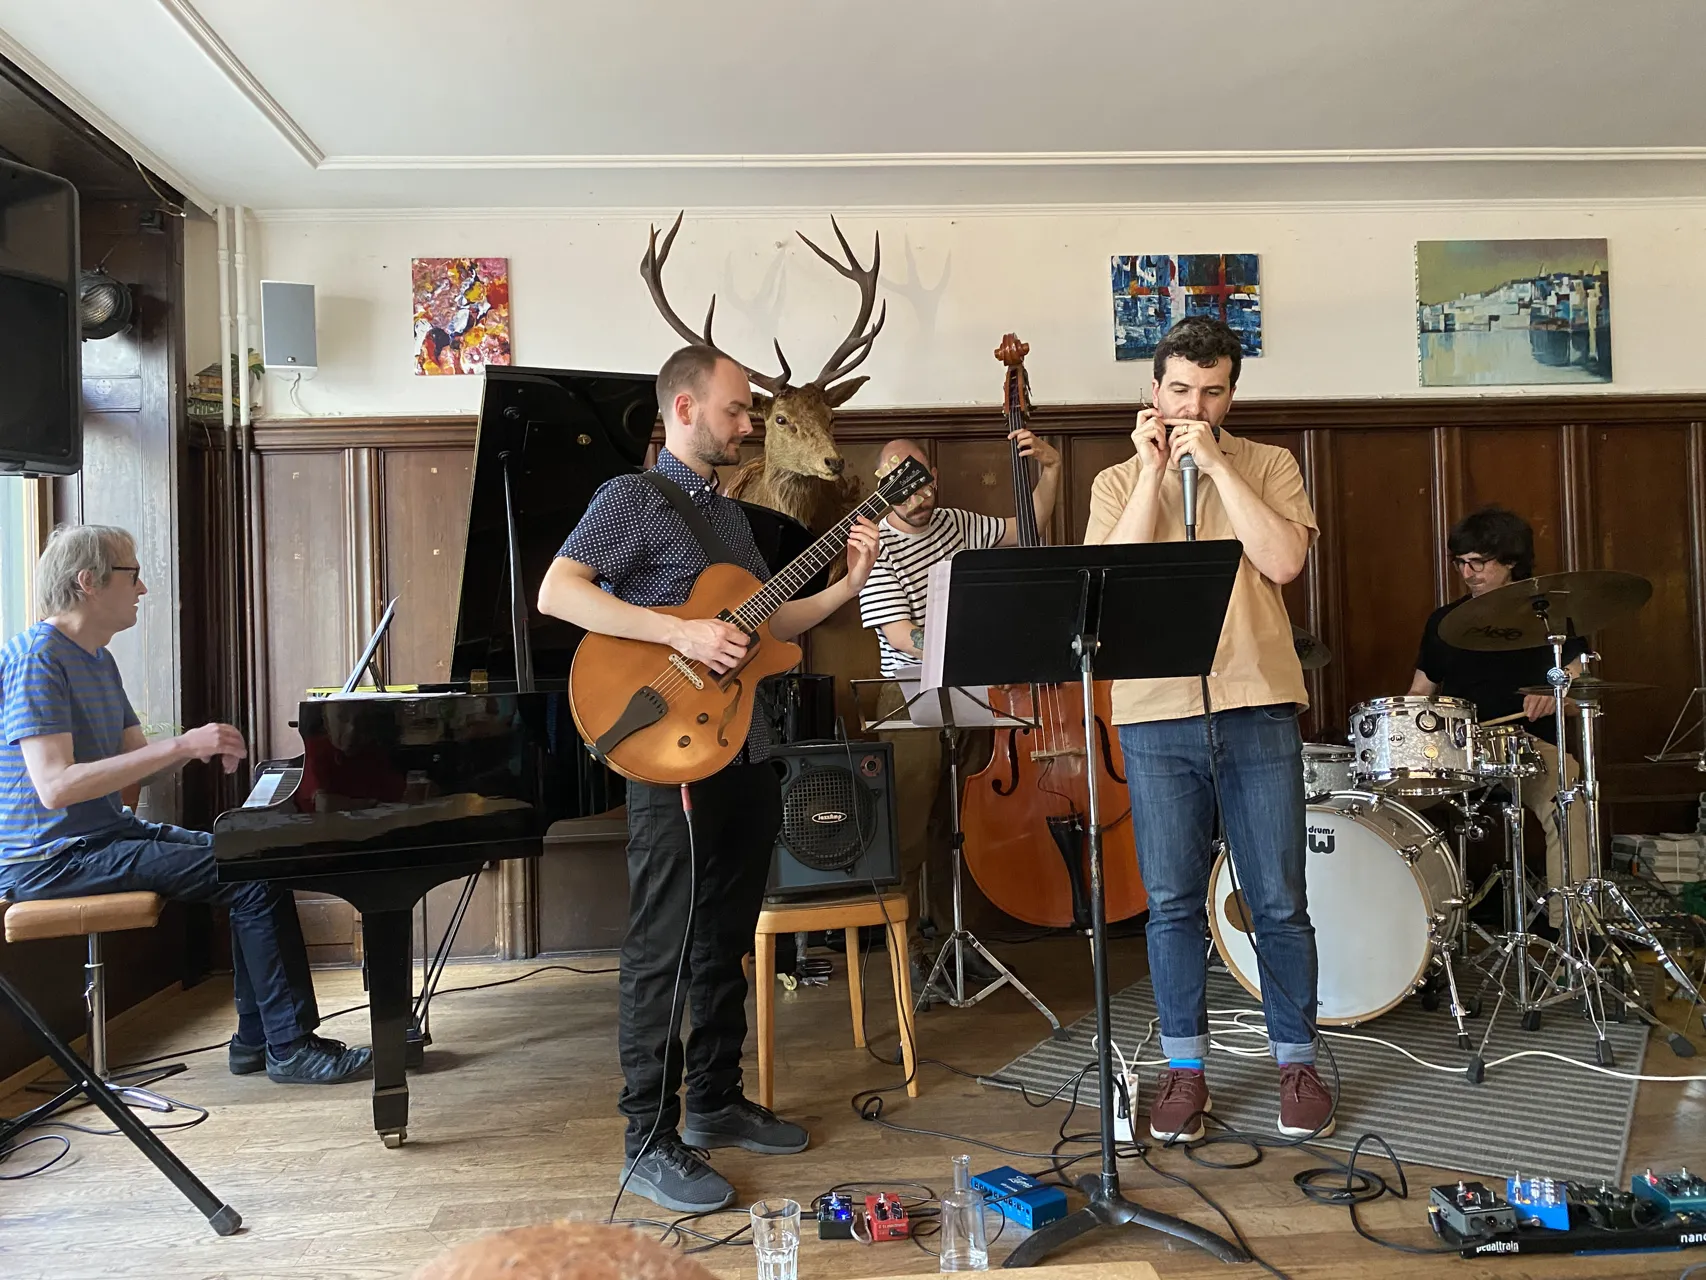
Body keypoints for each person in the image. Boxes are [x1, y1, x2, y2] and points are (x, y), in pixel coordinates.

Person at [537, 344, 879, 1215]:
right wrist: (679, 633)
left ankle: (716, 1102)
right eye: (735, 410)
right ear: (683, 410)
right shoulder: (631, 498)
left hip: (746, 749)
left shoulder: (732, 517)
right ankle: (646, 1138)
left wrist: (847, 586)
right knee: (662, 946)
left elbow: (771, 625)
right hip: (672, 754)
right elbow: (558, 592)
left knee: (724, 936)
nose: (748, 425)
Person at [0, 524, 371, 1085]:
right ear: (88, 582)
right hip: (50, 861)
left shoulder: (97, 659)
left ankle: (258, 1041)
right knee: (250, 877)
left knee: (255, 861)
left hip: (101, 838)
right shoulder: (37, 659)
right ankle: (290, 1047)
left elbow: (135, 763)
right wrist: (182, 745)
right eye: (132, 574)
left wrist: (201, 747)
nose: (143, 588)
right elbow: (55, 787)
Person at [1084, 316, 1331, 1142]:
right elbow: (1112, 584)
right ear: (1153, 390)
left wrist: (1219, 466)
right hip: (1156, 713)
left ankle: (1296, 1061)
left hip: (1256, 701)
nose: (1194, 406)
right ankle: (1185, 1071)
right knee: (1170, 904)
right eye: (1181, 390)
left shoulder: (1269, 464)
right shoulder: (1116, 480)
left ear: (1231, 396)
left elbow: (1284, 562)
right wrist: (1153, 474)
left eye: (1212, 392)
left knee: (1278, 899)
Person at [856, 434, 1061, 994]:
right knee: (909, 829)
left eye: (924, 482)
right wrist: (979, 640)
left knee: (959, 823)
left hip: (969, 691)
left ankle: (956, 939)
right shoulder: (876, 547)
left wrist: (1050, 471)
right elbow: (905, 636)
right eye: (905, 486)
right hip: (909, 694)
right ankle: (910, 951)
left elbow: (1026, 528)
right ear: (882, 486)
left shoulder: (956, 522)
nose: (919, 496)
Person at [1409, 506, 1587, 925]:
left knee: (1568, 795)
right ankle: (1417, 929)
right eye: (1460, 563)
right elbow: (1419, 692)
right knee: (1385, 803)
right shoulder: (1444, 622)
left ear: (1510, 561)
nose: (1467, 573)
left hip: (1527, 748)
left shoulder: (1549, 617)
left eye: (1479, 562)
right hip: (1455, 749)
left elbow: (1580, 687)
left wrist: (1555, 694)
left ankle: (1571, 929)